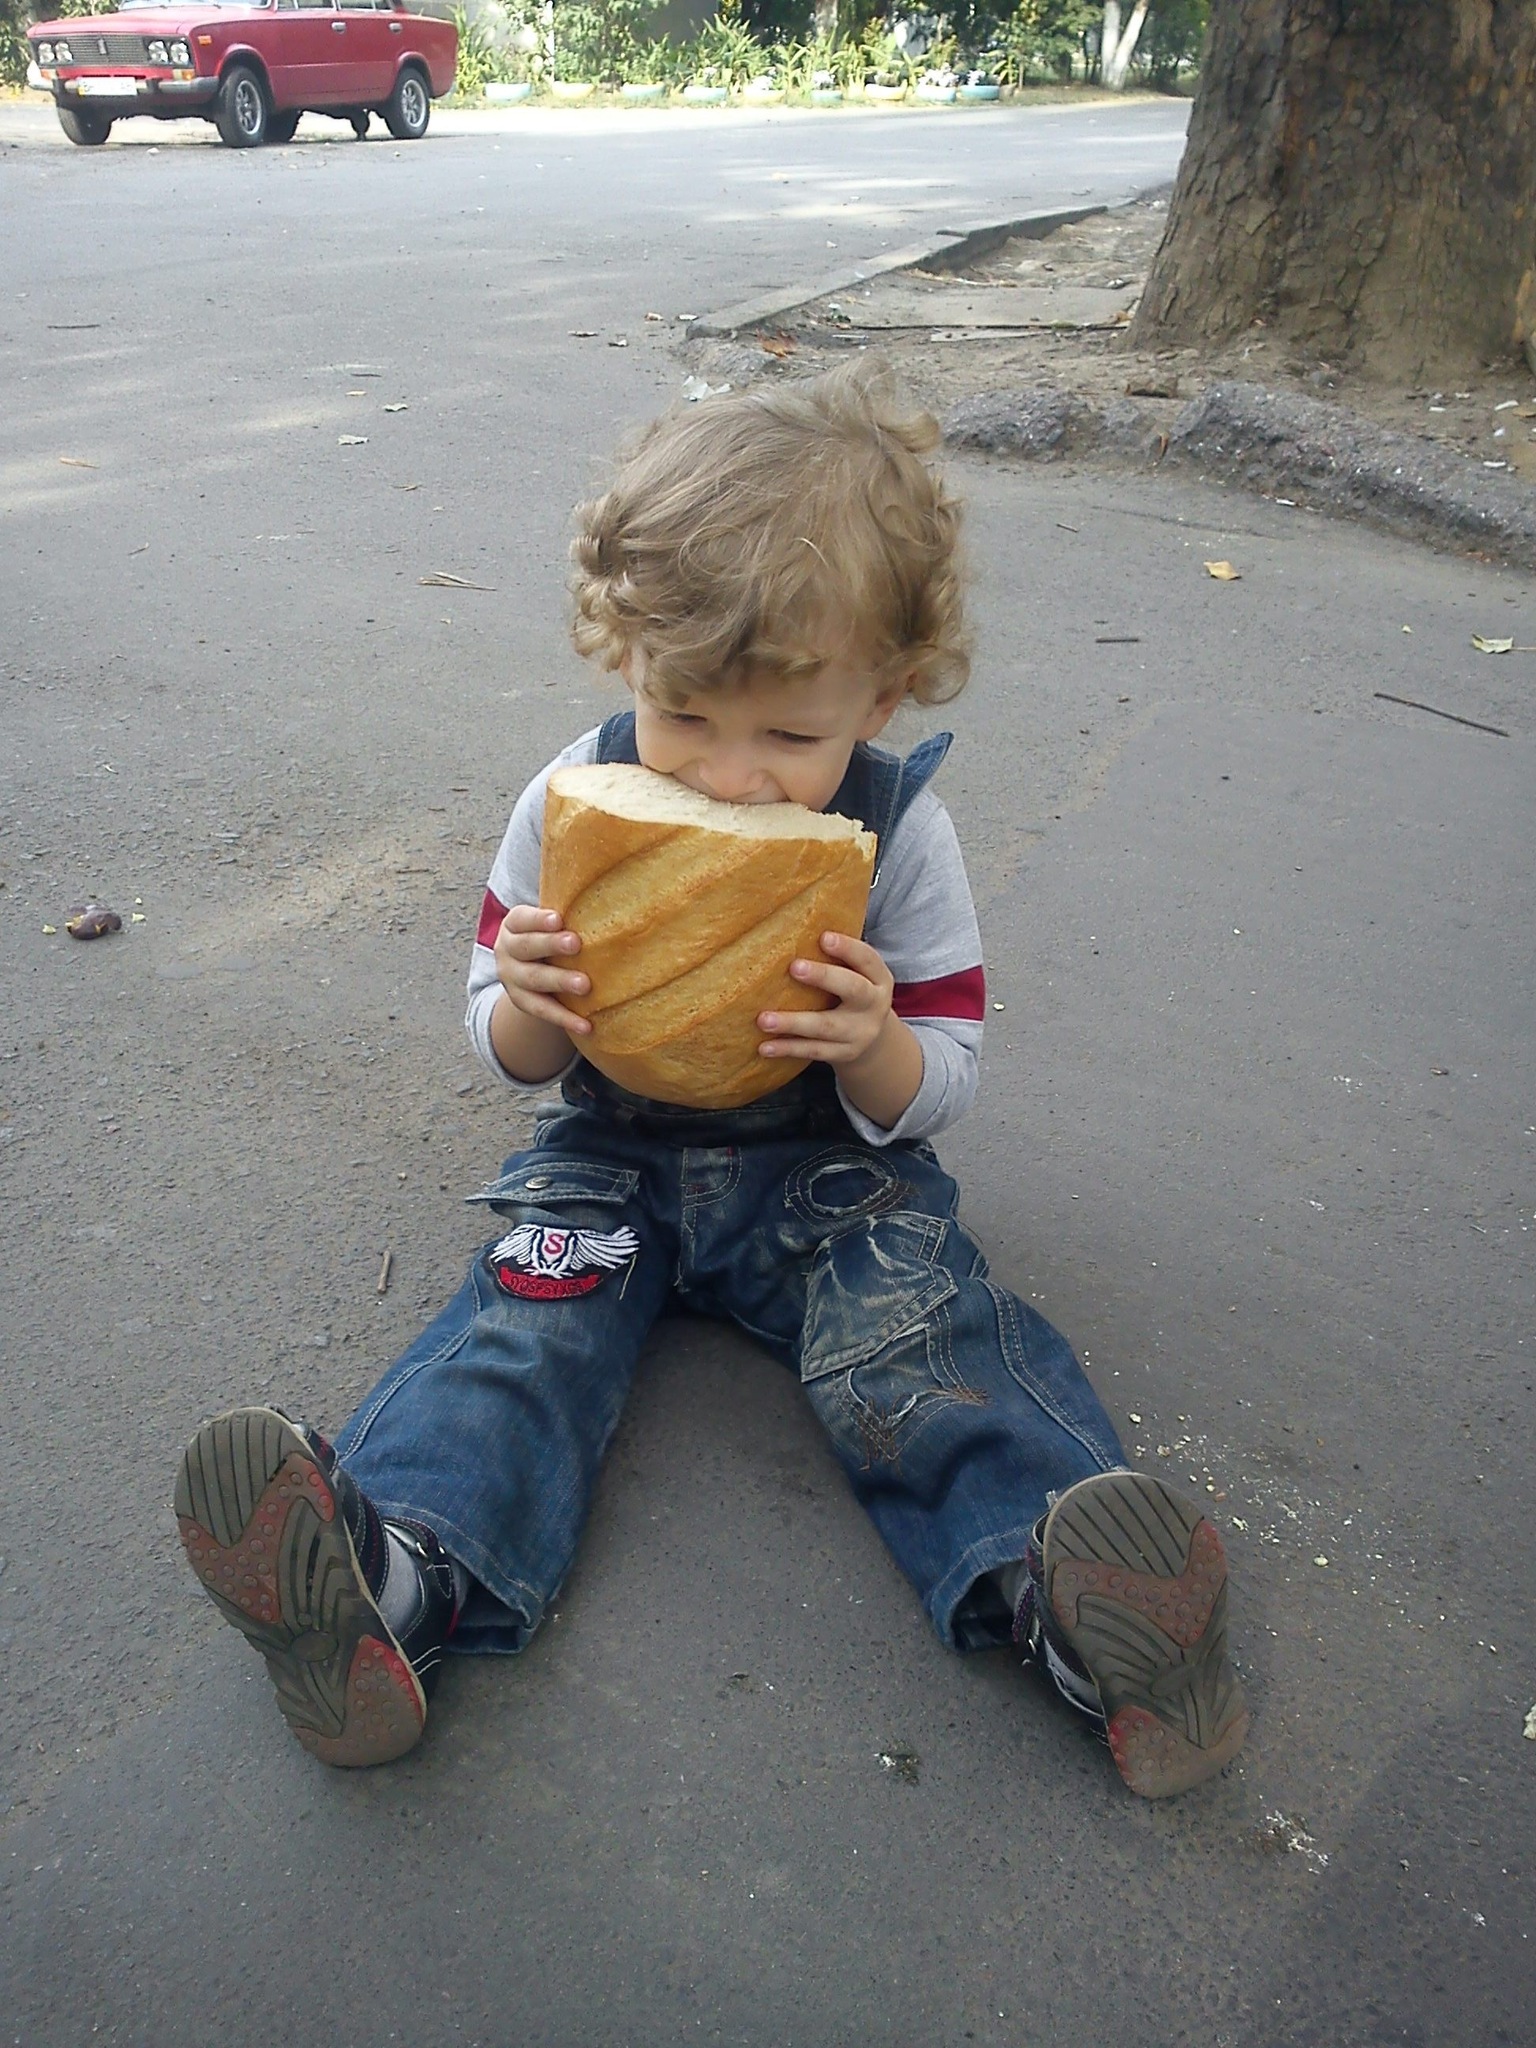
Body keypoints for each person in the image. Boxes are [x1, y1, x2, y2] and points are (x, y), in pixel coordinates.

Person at [175, 363, 1247, 1798]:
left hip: (829, 1174)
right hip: (608, 1159)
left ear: (886, 692)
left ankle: (1072, 1605)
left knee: (918, 1338)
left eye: (792, 737)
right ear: (626, 656)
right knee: (524, 1335)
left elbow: (944, 1080)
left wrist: (875, 1042)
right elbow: (501, 1039)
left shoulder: (901, 839)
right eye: (685, 714)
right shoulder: (570, 801)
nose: (731, 778)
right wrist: (535, 1008)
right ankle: (394, 1578)